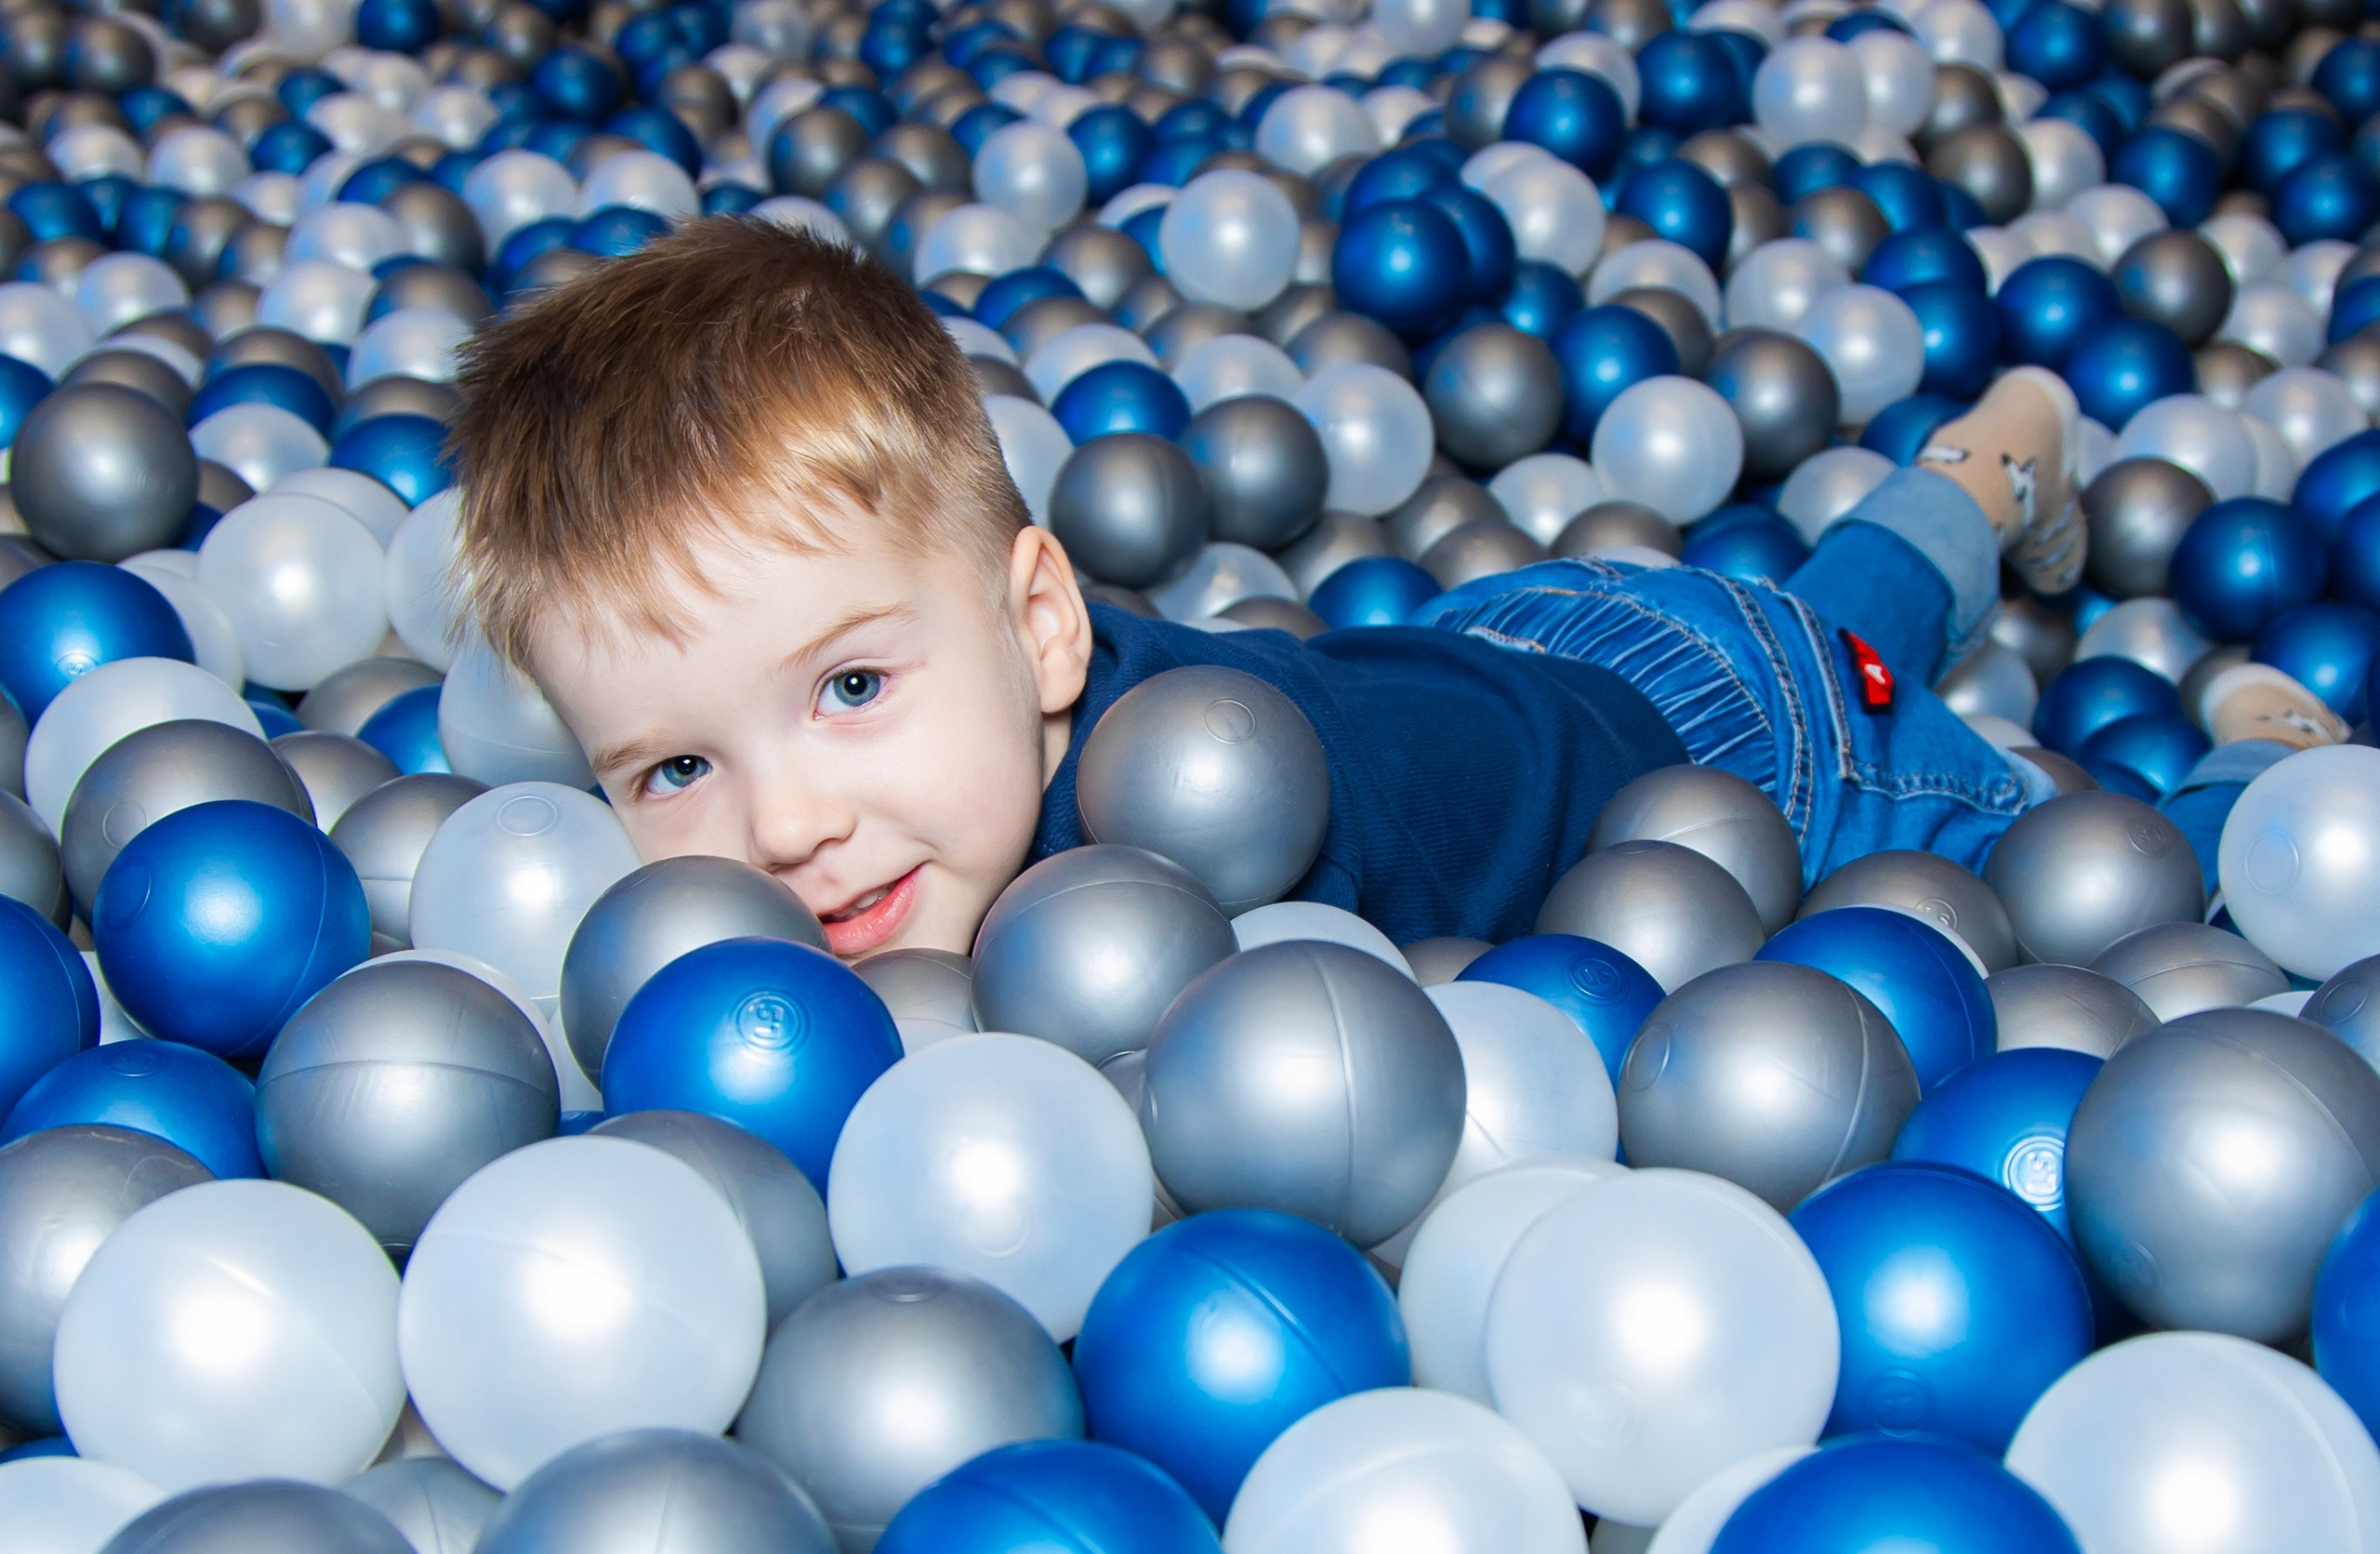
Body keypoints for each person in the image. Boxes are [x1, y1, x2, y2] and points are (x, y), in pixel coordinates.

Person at [448, 218, 2345, 959]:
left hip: (1733, 761)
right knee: (1826, 611)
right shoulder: (940, 809)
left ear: (1041, 627)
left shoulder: (1203, 850)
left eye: (849, 688)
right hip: (1504, 645)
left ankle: (2272, 770)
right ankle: (1981, 474)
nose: (785, 823)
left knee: (2083, 887)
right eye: (672, 769)